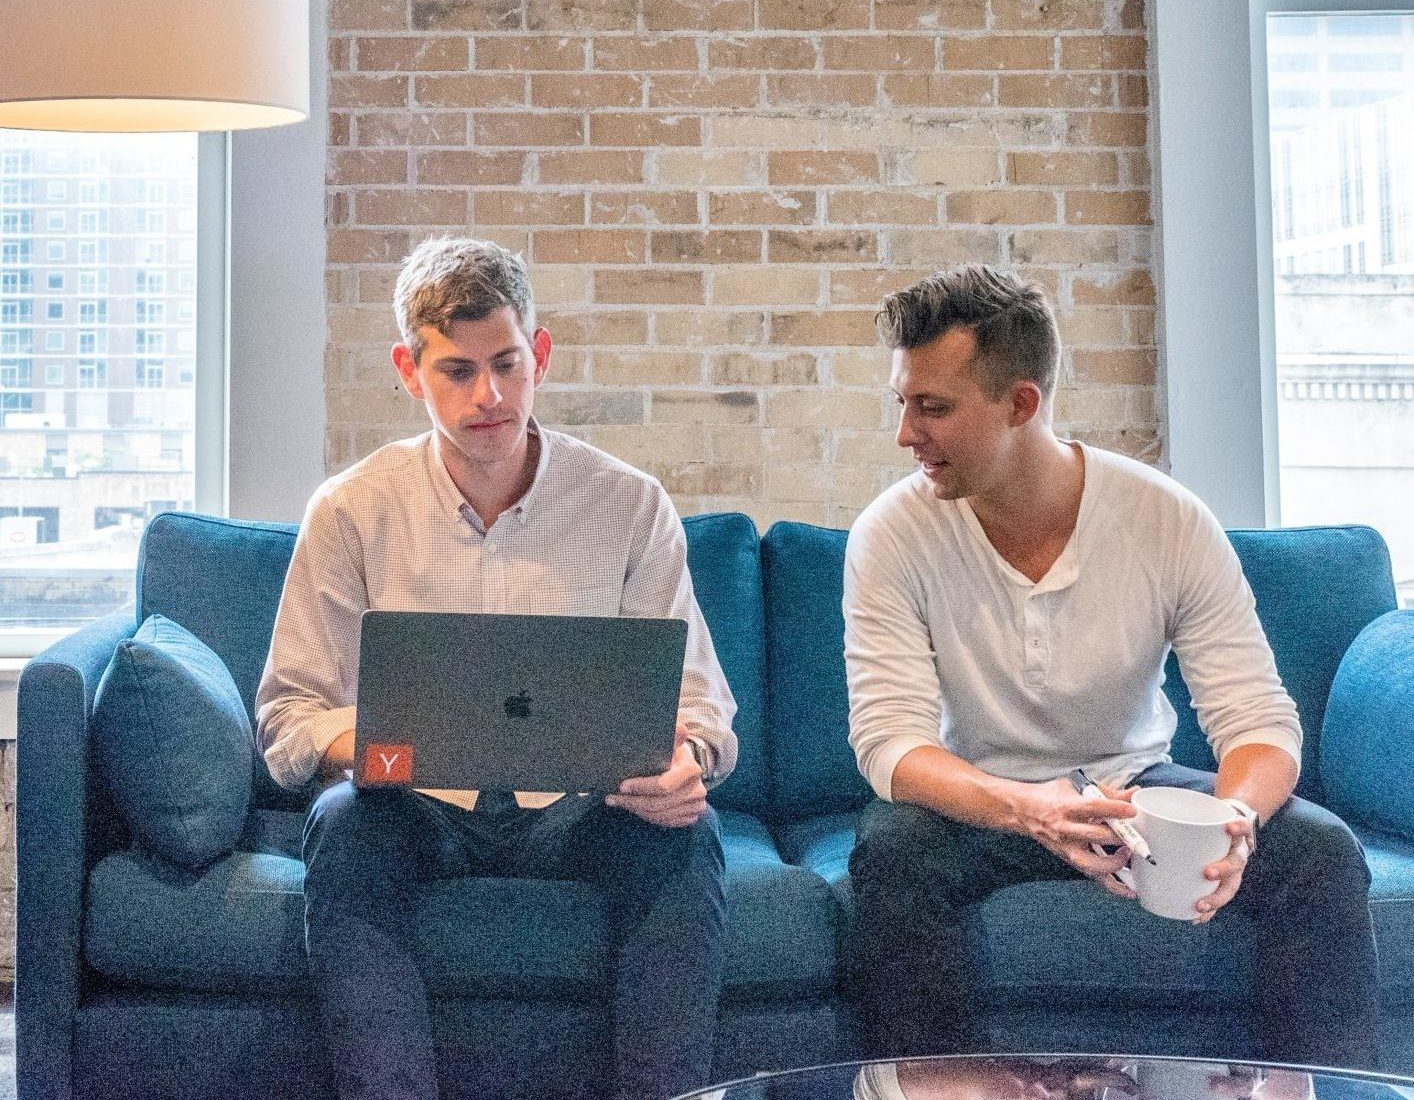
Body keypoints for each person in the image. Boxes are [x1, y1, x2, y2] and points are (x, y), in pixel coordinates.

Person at [842, 264, 1380, 1068]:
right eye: (903, 403)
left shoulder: (1166, 520)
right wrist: (1029, 809)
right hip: (980, 799)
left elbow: (1258, 720)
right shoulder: (892, 533)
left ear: (1021, 404)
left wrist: (1231, 824)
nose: (905, 433)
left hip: (1135, 789)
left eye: (934, 407)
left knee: (1320, 852)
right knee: (892, 853)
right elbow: (890, 743)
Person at [255, 235, 738, 1100]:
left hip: (582, 809)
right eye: (456, 371)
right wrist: (386, 742)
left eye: (508, 364)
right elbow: (289, 714)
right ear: (409, 371)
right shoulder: (350, 510)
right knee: (341, 822)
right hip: (416, 806)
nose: (489, 395)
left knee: (687, 838)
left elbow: (700, 707)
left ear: (539, 356)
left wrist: (686, 764)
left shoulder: (628, 503)